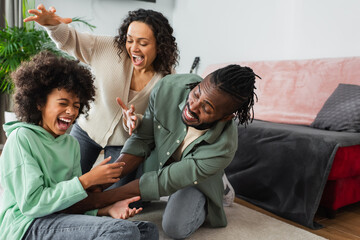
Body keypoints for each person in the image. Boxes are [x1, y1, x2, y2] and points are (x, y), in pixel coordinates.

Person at [58, 64, 260, 239]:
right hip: (163, 157)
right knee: (116, 194)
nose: (193, 106)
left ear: (225, 118)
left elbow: (164, 181)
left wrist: (97, 200)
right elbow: (143, 139)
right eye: (197, 93)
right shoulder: (169, 87)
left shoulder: (223, 148)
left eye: (206, 109)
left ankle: (216, 183)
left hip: (193, 177)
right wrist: (104, 181)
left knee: (175, 227)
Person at [0, 51, 158, 240]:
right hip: (26, 225)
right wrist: (86, 181)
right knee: (123, 232)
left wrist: (106, 211)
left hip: (57, 219)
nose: (71, 111)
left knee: (147, 230)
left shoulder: (70, 144)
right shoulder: (22, 139)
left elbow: (70, 204)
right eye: (63, 103)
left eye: (76, 105)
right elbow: (33, 204)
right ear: (39, 103)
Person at [24, 4, 179, 177]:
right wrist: (52, 26)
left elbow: (159, 120)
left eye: (143, 43)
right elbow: (71, 40)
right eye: (129, 40)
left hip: (125, 143)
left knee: (115, 196)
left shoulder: (167, 77)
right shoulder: (108, 48)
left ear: (160, 45)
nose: (134, 48)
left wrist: (138, 121)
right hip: (87, 130)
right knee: (65, 182)